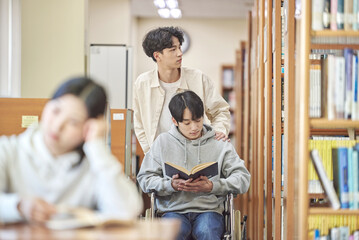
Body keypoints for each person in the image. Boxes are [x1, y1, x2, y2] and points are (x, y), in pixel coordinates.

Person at [0, 77, 143, 224]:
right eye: (56, 111)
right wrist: (17, 206)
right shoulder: (8, 150)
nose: (57, 126)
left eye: (73, 122)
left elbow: (126, 212)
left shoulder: (92, 166)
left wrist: (97, 147)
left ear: (89, 126)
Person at [137, 91, 250, 240]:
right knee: (174, 233)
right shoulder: (162, 143)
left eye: (198, 120)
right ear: (175, 121)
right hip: (172, 211)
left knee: (207, 232)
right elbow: (144, 179)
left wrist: (213, 186)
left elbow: (243, 179)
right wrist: (170, 184)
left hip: (209, 210)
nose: (194, 127)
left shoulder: (219, 143)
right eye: (187, 122)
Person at [133, 26, 231, 153]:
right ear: (157, 56)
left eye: (179, 47)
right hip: (160, 156)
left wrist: (218, 132)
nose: (180, 53)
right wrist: (150, 153)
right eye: (173, 49)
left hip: (197, 153)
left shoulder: (198, 78)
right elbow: (139, 124)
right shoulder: (142, 83)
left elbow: (220, 110)